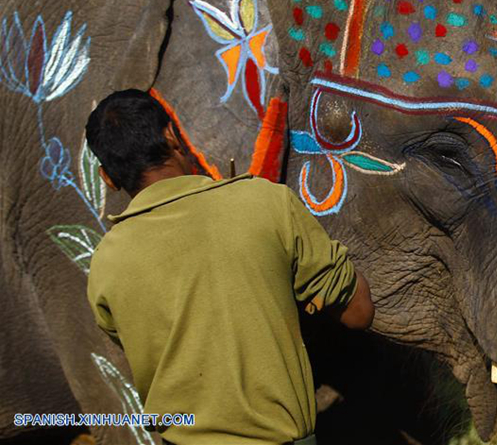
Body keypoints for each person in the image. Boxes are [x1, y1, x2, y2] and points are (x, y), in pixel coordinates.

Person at [85, 89, 374, 445]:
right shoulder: (265, 203)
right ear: (172, 136)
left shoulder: (104, 264)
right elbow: (358, 313)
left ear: (107, 178)